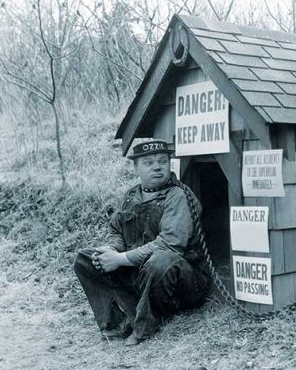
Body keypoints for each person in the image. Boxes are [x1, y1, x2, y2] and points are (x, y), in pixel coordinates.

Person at [73, 139, 211, 346]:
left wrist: (120, 259)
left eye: (162, 161)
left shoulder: (177, 196)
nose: (157, 167)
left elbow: (170, 244)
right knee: (85, 259)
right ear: (136, 167)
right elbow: (117, 230)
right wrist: (111, 250)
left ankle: (147, 325)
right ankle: (120, 321)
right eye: (148, 162)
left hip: (183, 283)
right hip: (142, 274)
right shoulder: (131, 195)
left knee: (162, 259)